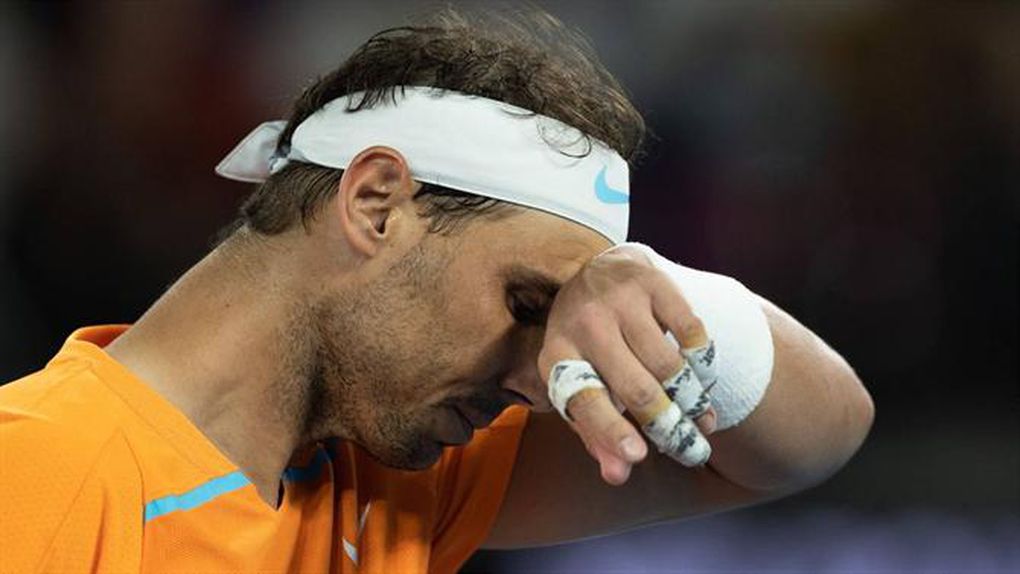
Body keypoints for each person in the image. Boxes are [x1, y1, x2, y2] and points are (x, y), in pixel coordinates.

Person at [0, 8, 873, 573]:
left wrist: (660, 287)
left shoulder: (400, 473)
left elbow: (815, 437)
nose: (540, 383)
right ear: (376, 204)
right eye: (527, 305)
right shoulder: (35, 475)